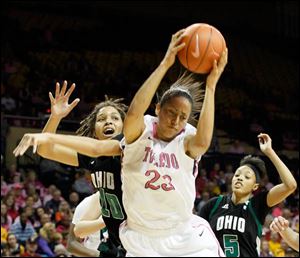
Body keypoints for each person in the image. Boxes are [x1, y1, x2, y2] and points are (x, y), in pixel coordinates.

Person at [119, 28, 227, 256]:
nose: (176, 120)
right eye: (171, 112)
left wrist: (211, 86)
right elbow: (132, 115)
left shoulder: (187, 139)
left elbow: (204, 141)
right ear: (158, 108)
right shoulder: (140, 131)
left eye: (183, 116)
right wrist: (166, 63)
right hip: (140, 237)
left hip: (183, 236)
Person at [13, 81, 127, 256]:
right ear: (94, 130)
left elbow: (97, 147)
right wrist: (55, 117)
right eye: (101, 119)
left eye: (114, 118)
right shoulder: (93, 158)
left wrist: (50, 137)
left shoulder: (127, 149)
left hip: (140, 237)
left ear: (124, 126)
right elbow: (45, 150)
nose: (108, 121)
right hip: (116, 241)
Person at [199, 133, 297, 257]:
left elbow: (290, 185)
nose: (240, 178)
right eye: (237, 175)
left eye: (247, 177)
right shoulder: (213, 204)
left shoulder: (257, 205)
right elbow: (196, 235)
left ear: (255, 186)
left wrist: (270, 152)